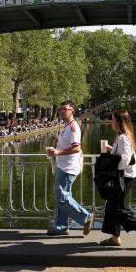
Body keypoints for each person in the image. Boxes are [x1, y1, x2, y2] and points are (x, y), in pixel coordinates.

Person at [99, 109, 136, 248]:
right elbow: (122, 154)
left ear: (118, 122)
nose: (111, 121)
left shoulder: (123, 138)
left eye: (113, 119)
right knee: (112, 205)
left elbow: (125, 158)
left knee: (117, 207)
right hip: (125, 176)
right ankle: (115, 238)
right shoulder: (123, 137)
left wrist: (116, 170)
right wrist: (111, 149)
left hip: (123, 177)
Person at [45, 100, 94, 236]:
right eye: (60, 109)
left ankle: (86, 217)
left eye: (65, 109)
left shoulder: (73, 127)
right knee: (63, 196)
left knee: (62, 197)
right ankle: (61, 226)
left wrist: (57, 152)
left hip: (68, 167)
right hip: (63, 165)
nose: (61, 111)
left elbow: (77, 148)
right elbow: (65, 144)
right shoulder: (65, 126)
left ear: (72, 111)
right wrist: (56, 144)